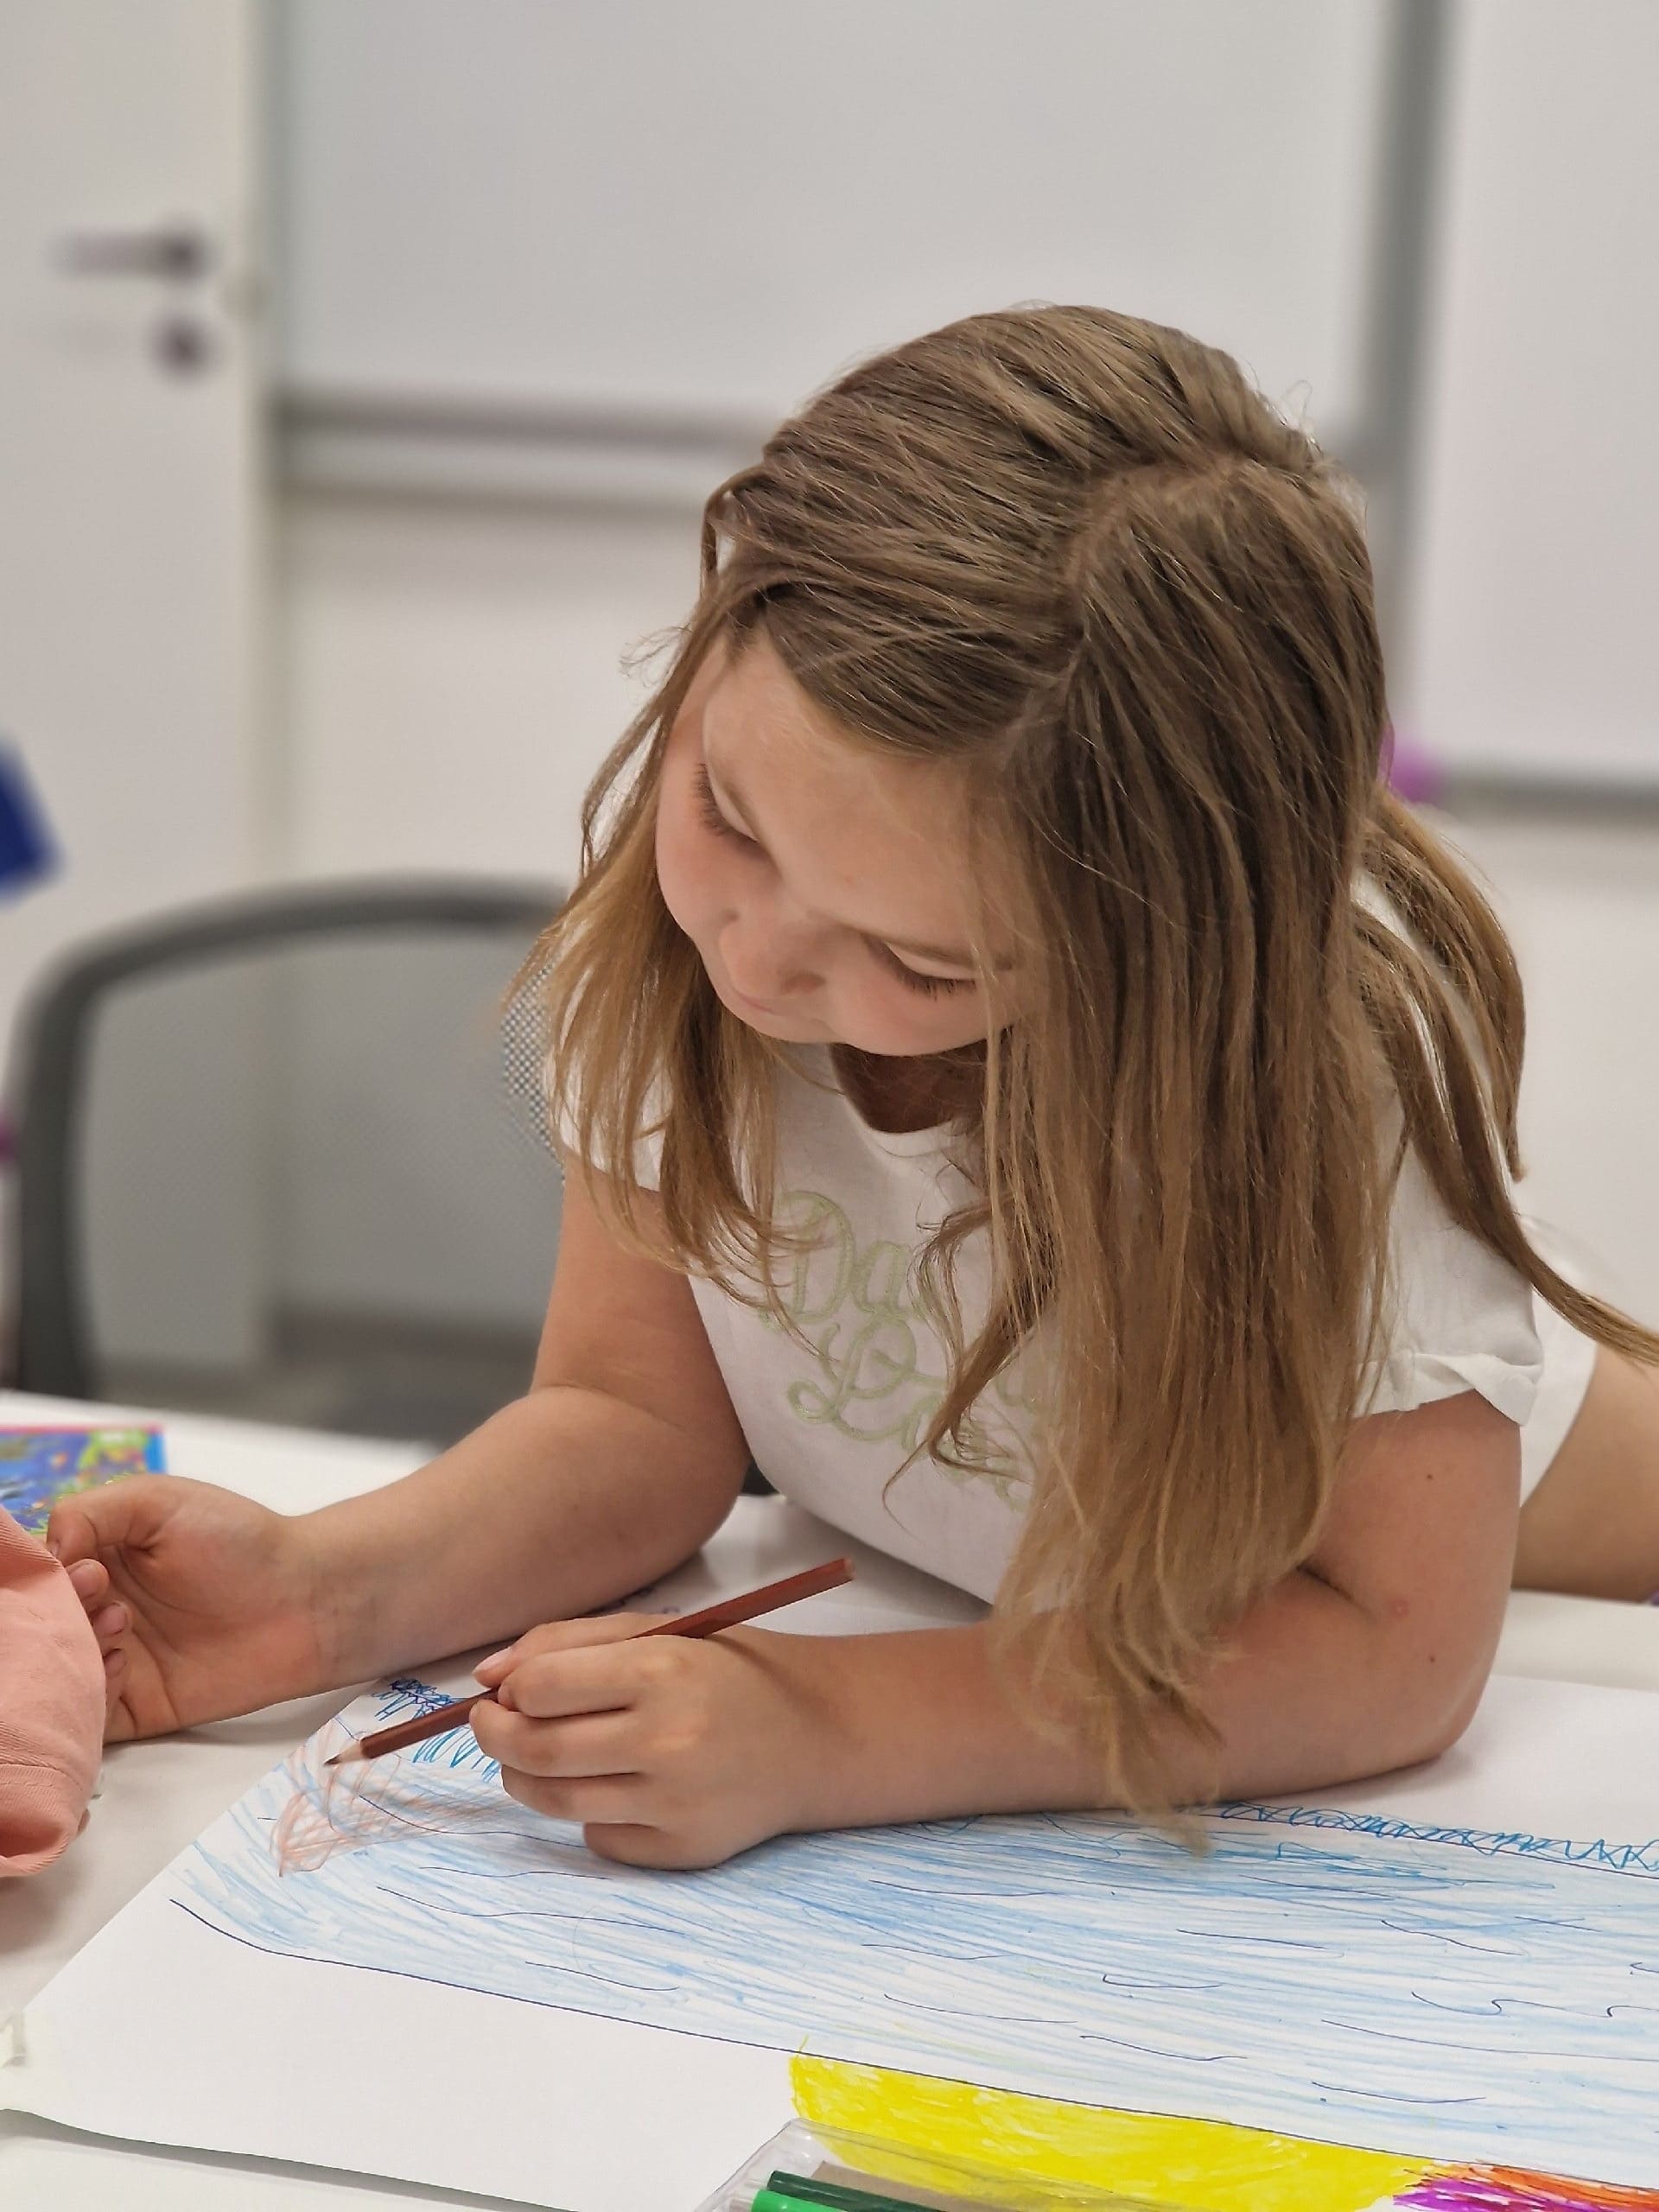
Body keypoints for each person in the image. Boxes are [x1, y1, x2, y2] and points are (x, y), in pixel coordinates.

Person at [51, 307, 1659, 1870]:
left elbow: (1387, 1650)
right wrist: (320, 1594)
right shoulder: (682, 950)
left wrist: (834, 1727)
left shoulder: (1334, 1075)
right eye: (728, 819)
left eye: (923, 964)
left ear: (1170, 952)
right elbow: (635, 1423)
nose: (756, 962)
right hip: (1008, 1591)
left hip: (1563, 1558)